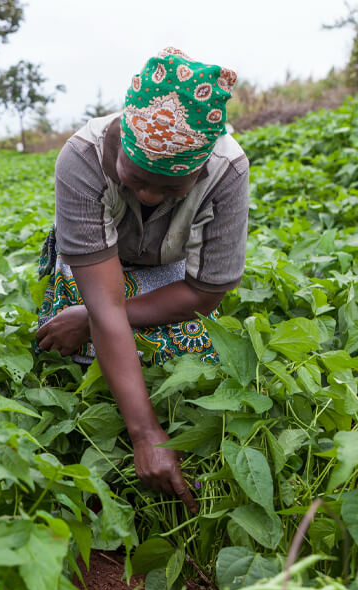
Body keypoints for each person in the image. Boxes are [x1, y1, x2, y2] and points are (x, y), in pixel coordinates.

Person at [36, 47, 249, 512]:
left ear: (199, 167)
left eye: (171, 188)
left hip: (169, 276)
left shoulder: (227, 170)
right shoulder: (82, 158)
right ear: (122, 145)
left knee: (187, 354)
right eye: (134, 179)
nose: (149, 195)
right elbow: (105, 303)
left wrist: (89, 317)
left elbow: (204, 292)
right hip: (92, 268)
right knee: (75, 359)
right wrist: (145, 433)